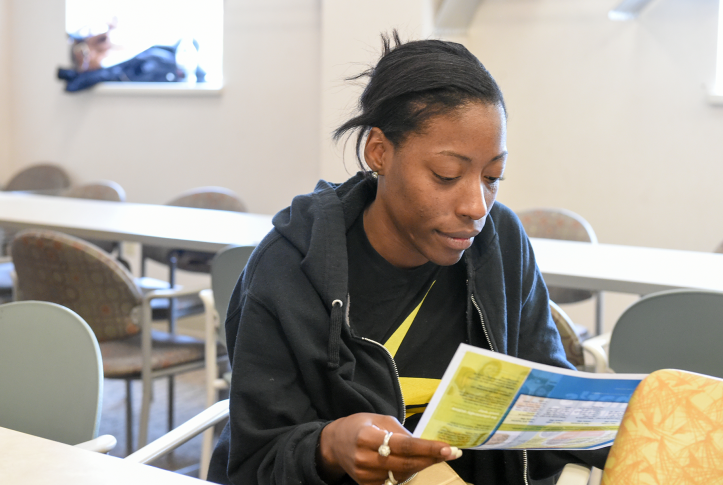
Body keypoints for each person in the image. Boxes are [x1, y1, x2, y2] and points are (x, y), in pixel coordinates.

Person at [207, 32, 608, 485]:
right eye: (447, 175)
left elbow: (545, 394)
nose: (476, 206)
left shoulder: (501, 241)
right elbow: (253, 462)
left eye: (493, 177)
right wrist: (329, 446)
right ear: (378, 152)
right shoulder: (288, 270)